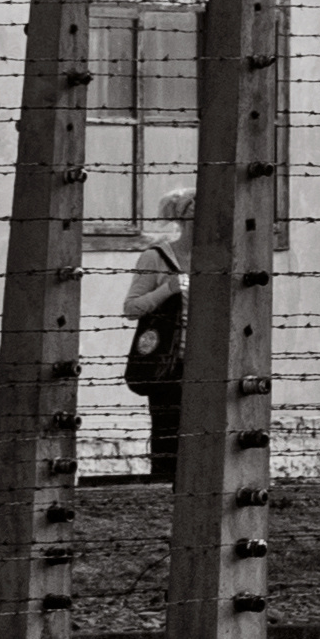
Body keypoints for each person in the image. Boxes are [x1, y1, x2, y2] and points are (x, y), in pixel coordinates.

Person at [121, 196, 191, 486]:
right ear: (182, 218)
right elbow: (131, 308)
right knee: (168, 432)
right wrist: (168, 289)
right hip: (170, 363)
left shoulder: (225, 255)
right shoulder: (157, 257)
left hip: (213, 363)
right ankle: (164, 491)